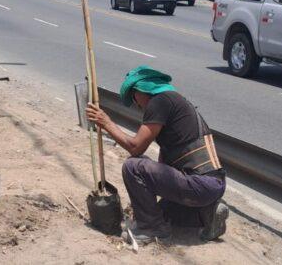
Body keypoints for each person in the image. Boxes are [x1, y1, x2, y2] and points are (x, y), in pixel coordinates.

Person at [86, 66, 228, 245]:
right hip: (212, 186)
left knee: (133, 166)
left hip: (199, 184)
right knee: (161, 211)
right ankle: (208, 214)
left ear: (142, 89)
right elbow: (165, 168)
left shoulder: (159, 101)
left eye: (134, 97)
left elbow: (136, 148)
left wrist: (106, 123)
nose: (137, 104)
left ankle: (151, 230)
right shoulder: (176, 102)